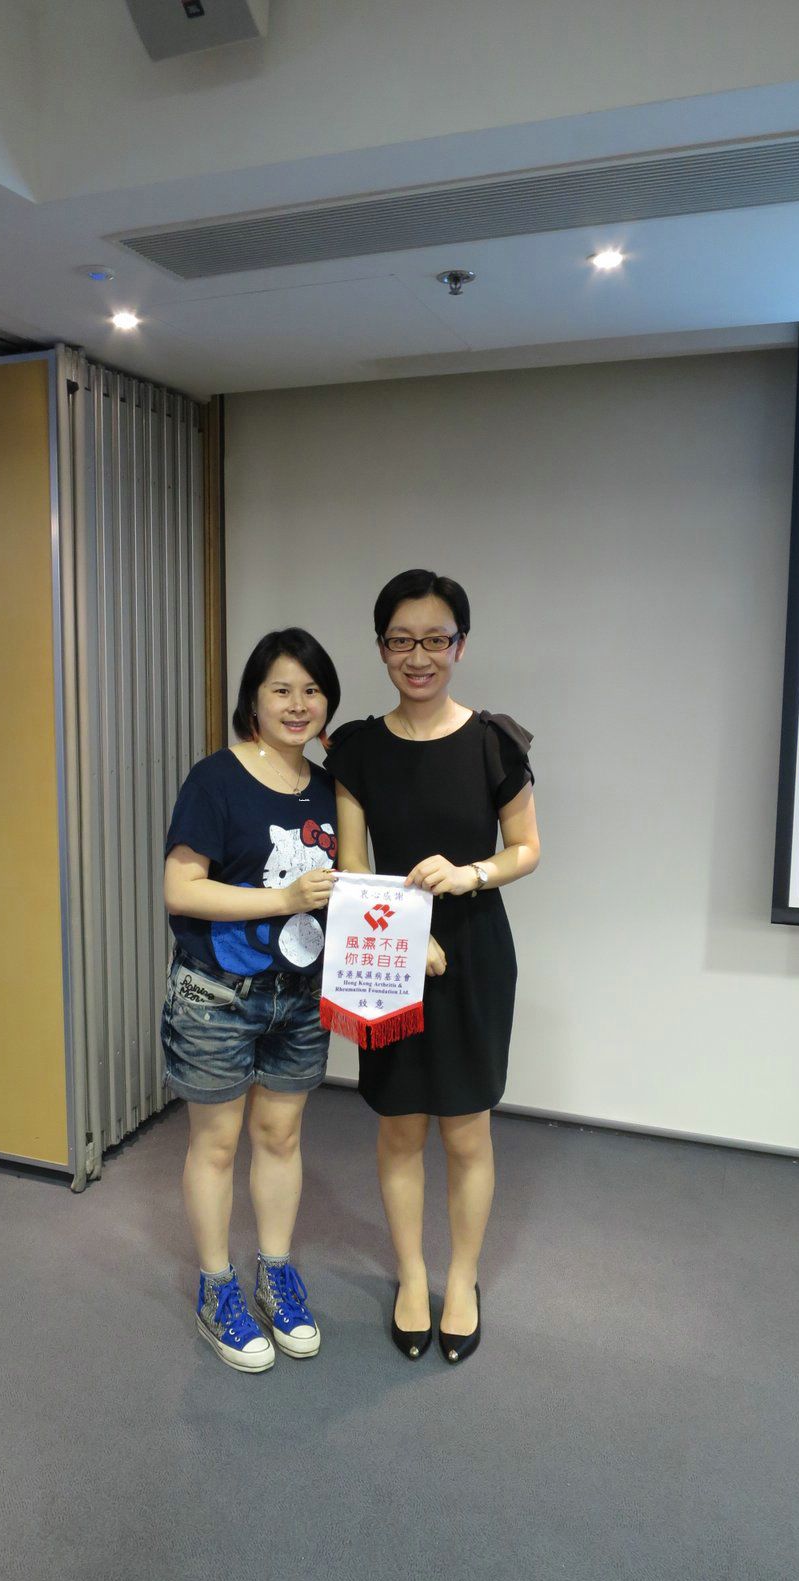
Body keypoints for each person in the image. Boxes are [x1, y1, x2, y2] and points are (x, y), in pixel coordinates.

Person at [325, 570, 540, 1365]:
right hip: (386, 949)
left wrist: (471, 872)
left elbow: (527, 848)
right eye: (401, 640)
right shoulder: (356, 750)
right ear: (382, 647)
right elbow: (353, 864)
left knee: (467, 1129)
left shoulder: (493, 743)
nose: (419, 656)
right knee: (400, 1125)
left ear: (461, 646)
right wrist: (411, 935)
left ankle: (464, 1279)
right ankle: (413, 1277)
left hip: (475, 950)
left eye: (435, 640)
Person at [162, 628, 340, 1372]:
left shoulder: (330, 789)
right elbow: (181, 889)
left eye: (311, 690)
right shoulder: (215, 779)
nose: (298, 704)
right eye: (281, 690)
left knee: (281, 1137)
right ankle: (216, 1289)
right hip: (217, 993)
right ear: (254, 701)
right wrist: (283, 897)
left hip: (299, 996)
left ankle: (275, 1274)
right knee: (215, 1144)